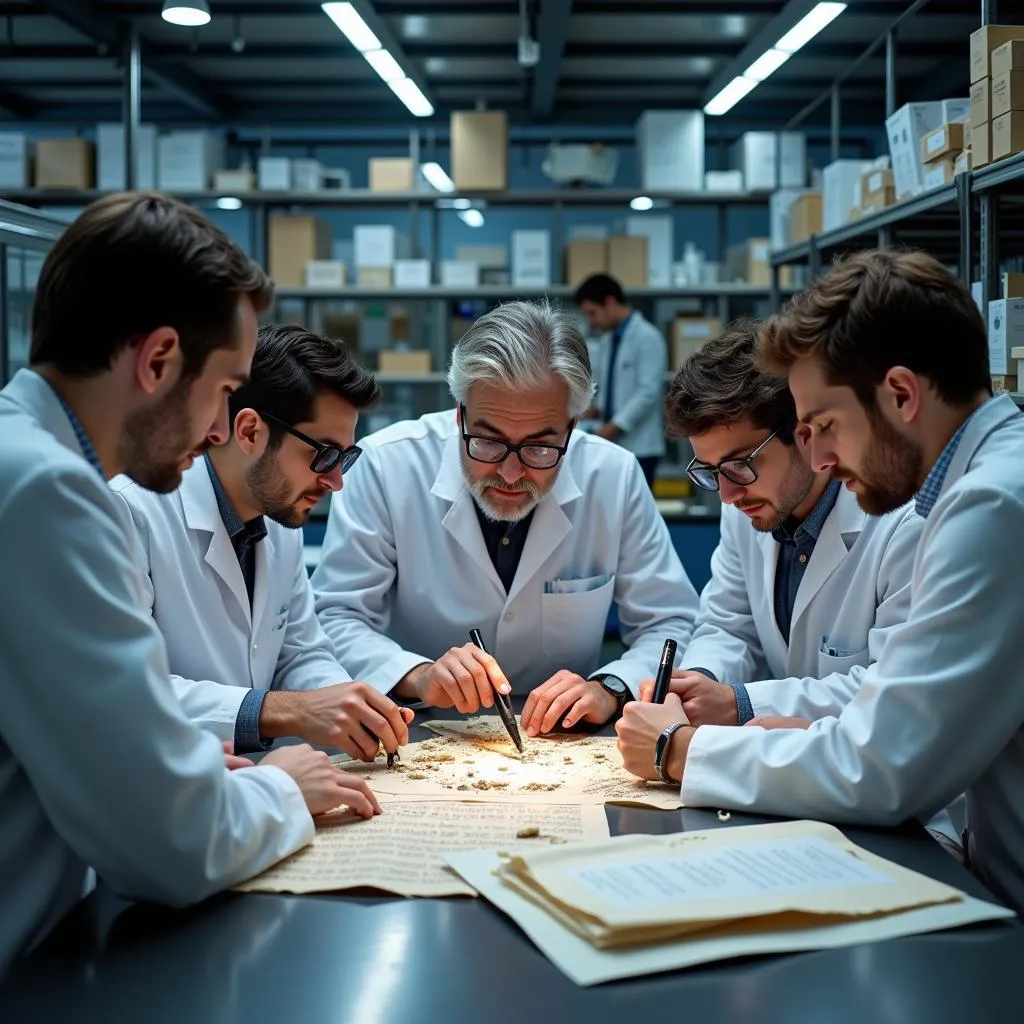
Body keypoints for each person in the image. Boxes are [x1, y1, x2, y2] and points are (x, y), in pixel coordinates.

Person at [0, 192, 379, 976]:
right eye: (223, 386)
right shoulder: (47, 494)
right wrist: (277, 787)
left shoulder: (27, 460)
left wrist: (185, 766)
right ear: (158, 360)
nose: (217, 428)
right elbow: (173, 845)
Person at [616, 249, 1024, 911]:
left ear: (900, 394)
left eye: (826, 426)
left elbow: (883, 767)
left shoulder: (991, 506)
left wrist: (681, 748)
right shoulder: (982, 483)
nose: (822, 456)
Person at [312, 300, 699, 736]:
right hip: (417, 729)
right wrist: (417, 674)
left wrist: (609, 688)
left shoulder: (614, 475)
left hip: (566, 739)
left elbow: (670, 621)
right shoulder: (386, 466)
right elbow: (335, 616)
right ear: (459, 414)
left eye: (539, 447)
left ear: (573, 425)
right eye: (488, 442)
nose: (511, 474)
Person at [110, 323, 413, 761]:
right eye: (324, 455)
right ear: (250, 431)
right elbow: (127, 690)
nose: (336, 481)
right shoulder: (131, 509)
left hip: (250, 780)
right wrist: (283, 710)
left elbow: (300, 652)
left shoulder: (277, 512)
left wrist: (352, 705)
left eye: (346, 458)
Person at [640, 320, 922, 733]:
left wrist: (739, 703)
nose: (726, 495)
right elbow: (729, 625)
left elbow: (896, 691)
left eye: (740, 464)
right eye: (711, 470)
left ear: (804, 433)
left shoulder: (902, 520)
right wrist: (699, 684)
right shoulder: (746, 500)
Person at [574, 273, 667, 487]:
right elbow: (609, 385)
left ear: (610, 302)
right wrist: (594, 409)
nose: (592, 321)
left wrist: (613, 427)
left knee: (636, 515)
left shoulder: (647, 337)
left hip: (640, 446)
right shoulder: (608, 340)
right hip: (611, 441)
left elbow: (648, 393)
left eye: (593, 313)